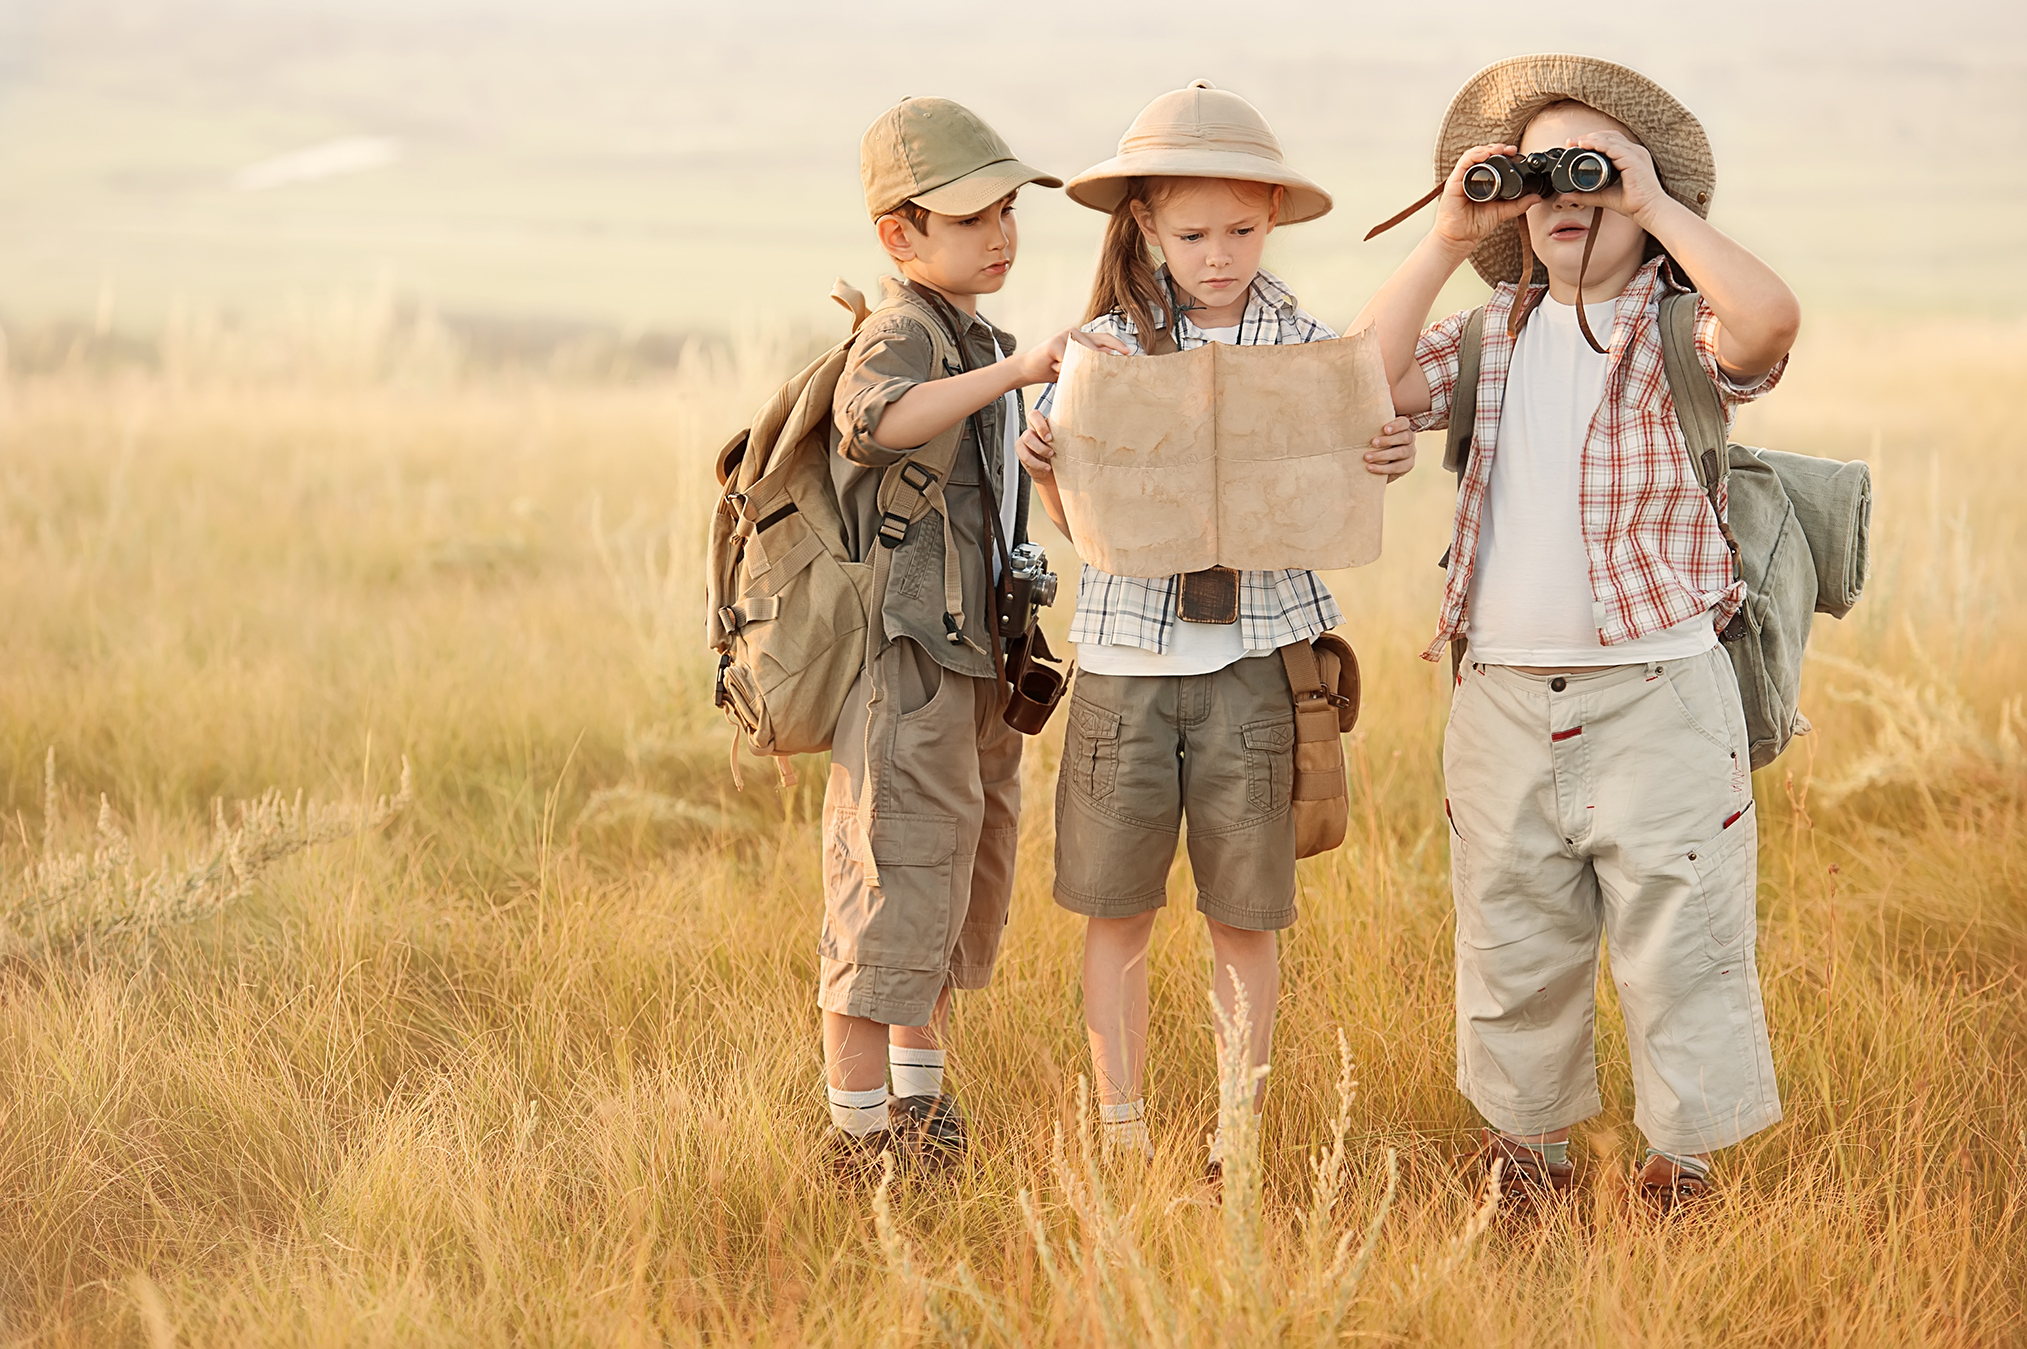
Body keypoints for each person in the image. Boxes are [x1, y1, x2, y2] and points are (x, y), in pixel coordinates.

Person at [1353, 55, 1800, 1211]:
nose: (1565, 185)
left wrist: (1649, 205)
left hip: (1657, 686)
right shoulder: (1489, 330)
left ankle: (1678, 1165)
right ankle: (1526, 1156)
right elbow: (1356, 383)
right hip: (1502, 693)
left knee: (1679, 935)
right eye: (1539, 167)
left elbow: (1766, 323)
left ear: (1644, 192)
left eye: (1589, 165)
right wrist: (1449, 235)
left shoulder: (1675, 326)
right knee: (1508, 939)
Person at [1020, 81, 1417, 1174]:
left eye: (1240, 230)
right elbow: (1080, 526)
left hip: (1255, 661)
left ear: (1272, 219)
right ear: (1143, 224)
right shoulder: (1092, 350)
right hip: (1120, 665)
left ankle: (1236, 1135)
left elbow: (1364, 444)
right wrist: (1047, 470)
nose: (1217, 253)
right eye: (1191, 232)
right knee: (1116, 905)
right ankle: (1121, 1129)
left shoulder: (1310, 346)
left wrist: (1383, 449)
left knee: (1246, 910)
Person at [824, 96, 1122, 1173]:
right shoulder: (903, 329)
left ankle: (919, 1109)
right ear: (899, 235)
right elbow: (867, 422)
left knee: (951, 886)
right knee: (888, 897)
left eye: (1005, 211)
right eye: (969, 218)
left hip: (970, 664)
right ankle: (858, 1141)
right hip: (907, 669)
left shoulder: (969, 333)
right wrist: (1012, 373)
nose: (998, 235)